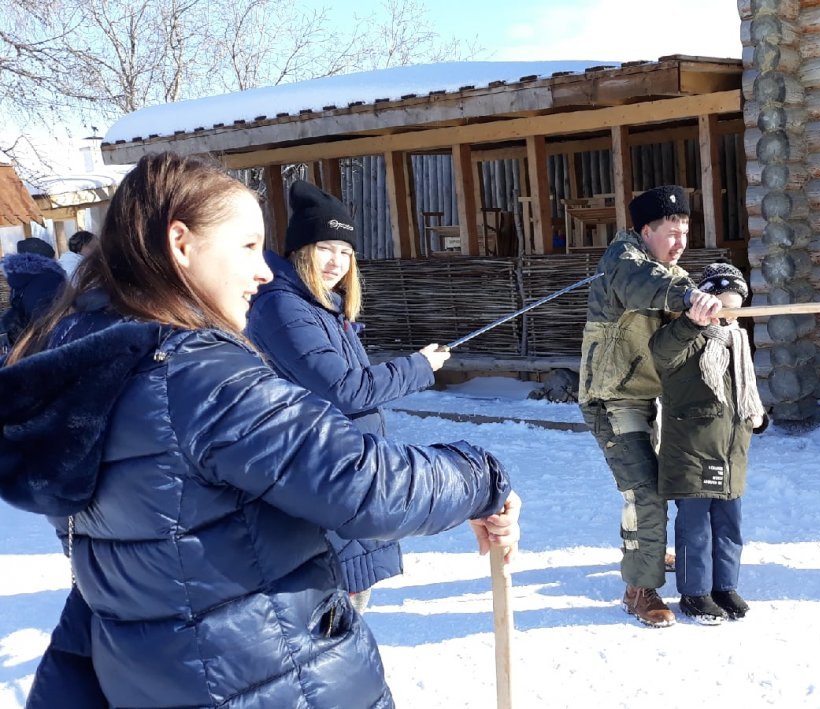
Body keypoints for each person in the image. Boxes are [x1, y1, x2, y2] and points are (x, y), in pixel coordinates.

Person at [0, 152, 520, 708]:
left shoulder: (79, 360)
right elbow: (363, 483)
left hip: (157, 679)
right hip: (268, 681)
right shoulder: (190, 371)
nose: (264, 269)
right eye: (248, 245)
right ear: (181, 243)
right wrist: (481, 475)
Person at [246, 179, 451, 614]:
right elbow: (345, 389)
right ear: (301, 249)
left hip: (343, 472)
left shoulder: (321, 308)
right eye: (325, 247)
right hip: (317, 476)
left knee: (349, 604)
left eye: (346, 252)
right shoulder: (283, 307)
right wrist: (417, 367)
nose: (336, 262)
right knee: (331, 613)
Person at [578, 184, 722, 628]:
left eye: (685, 231)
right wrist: (686, 300)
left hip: (650, 397)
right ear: (645, 231)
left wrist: (704, 314)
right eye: (671, 232)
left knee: (662, 482)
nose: (680, 242)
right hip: (611, 398)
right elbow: (643, 287)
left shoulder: (675, 277)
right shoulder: (623, 263)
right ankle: (639, 588)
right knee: (643, 491)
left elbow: (672, 344)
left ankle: (648, 548)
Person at [649, 262, 763, 624]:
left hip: (731, 452)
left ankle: (723, 587)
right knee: (695, 528)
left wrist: (757, 416)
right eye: (721, 307)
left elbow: (742, 393)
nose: (726, 317)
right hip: (693, 452)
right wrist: (690, 322)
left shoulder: (737, 341)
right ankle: (695, 593)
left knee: (729, 525)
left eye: (733, 308)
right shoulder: (687, 337)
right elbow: (661, 352)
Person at [1, 237, 66, 353]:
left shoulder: (20, 277)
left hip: (24, 341)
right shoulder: (48, 279)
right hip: (48, 343)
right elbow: (49, 315)